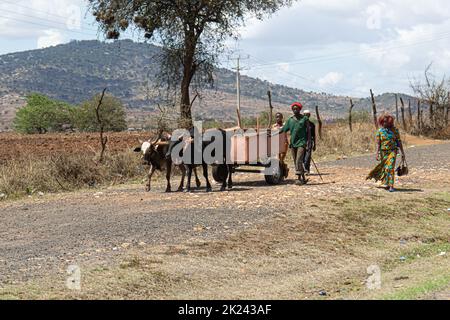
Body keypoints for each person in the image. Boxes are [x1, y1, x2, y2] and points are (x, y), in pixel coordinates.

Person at [366, 113, 406, 192]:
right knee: (385, 168)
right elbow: (379, 143)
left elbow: (399, 141)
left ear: (389, 122)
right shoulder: (380, 131)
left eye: (386, 122)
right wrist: (377, 153)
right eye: (383, 122)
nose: (384, 123)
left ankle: (391, 186)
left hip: (392, 151)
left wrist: (402, 153)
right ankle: (387, 183)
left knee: (390, 167)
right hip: (383, 152)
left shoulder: (395, 131)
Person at [280, 102, 311, 185]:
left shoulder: (304, 119)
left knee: (298, 160)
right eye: (293, 109)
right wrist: (272, 134)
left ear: (300, 109)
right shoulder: (290, 120)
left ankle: (298, 178)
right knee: (296, 161)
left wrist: (309, 143)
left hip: (302, 143)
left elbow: (308, 132)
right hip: (293, 143)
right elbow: (283, 130)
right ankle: (303, 177)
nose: (295, 110)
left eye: (296, 109)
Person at [302, 110, 316, 175]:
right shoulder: (301, 124)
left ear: (309, 115)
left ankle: (306, 170)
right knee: (302, 156)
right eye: (305, 114)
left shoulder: (312, 124)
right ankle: (303, 170)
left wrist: (315, 144)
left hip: (309, 142)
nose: (306, 116)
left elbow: (314, 135)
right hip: (301, 142)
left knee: (308, 156)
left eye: (307, 114)